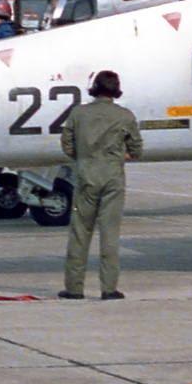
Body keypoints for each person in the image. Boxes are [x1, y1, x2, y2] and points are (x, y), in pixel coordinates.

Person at [59, 70, 143, 299]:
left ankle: (74, 288)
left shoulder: (79, 113)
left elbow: (67, 144)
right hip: (113, 176)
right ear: (116, 89)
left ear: (94, 88)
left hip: (86, 174)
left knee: (80, 231)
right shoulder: (125, 116)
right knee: (110, 232)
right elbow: (136, 150)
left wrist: (85, 157)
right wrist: (115, 156)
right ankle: (109, 288)